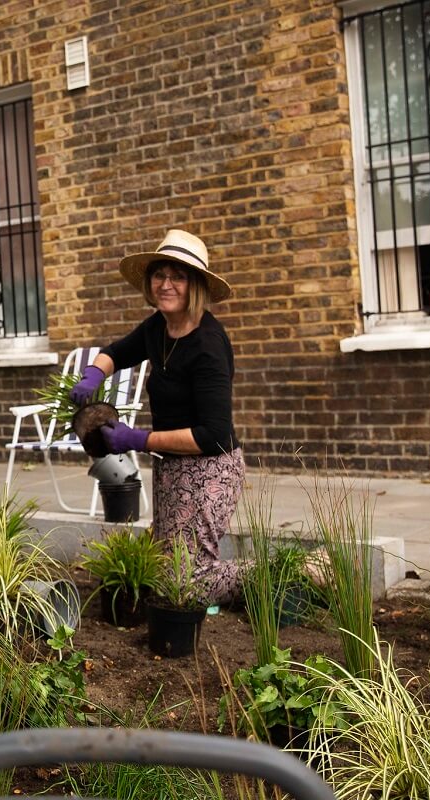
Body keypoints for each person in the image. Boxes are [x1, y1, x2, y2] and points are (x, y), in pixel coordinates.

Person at [70, 229, 244, 604]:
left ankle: (283, 578)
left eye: (177, 276)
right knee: (168, 569)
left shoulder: (208, 345)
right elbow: (116, 351)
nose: (166, 284)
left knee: (190, 581)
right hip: (171, 466)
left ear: (195, 284)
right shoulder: (158, 328)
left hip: (211, 469)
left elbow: (213, 434)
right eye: (159, 275)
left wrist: (138, 439)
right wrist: (94, 374)